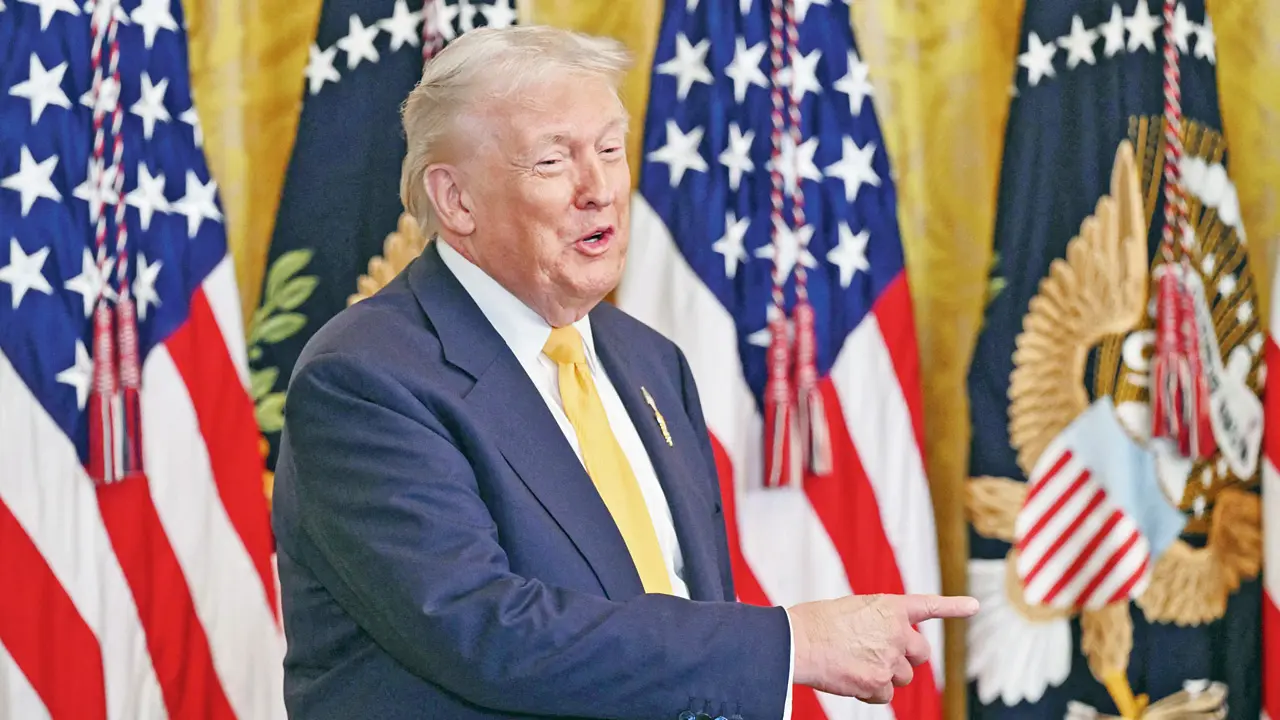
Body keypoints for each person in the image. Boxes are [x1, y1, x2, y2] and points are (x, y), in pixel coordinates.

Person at [270, 24, 978, 720]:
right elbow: (484, 629)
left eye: (611, 149)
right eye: (553, 161)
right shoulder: (365, 378)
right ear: (456, 200)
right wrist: (792, 644)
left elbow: (686, 610)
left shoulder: (650, 361)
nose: (600, 188)